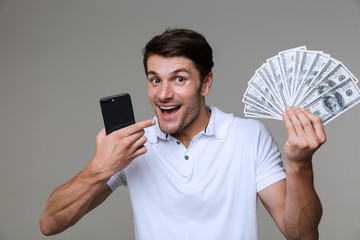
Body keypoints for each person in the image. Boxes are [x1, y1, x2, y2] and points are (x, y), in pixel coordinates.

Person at [40, 28, 326, 240]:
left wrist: (300, 165)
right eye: (155, 80)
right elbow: (50, 224)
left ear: (206, 83)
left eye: (179, 79)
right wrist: (99, 169)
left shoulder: (248, 136)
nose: (164, 94)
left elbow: (302, 235)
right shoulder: (131, 145)